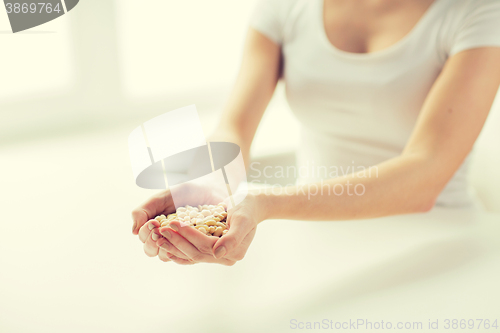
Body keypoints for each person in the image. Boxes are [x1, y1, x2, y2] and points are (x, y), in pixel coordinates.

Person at [131, 0, 500, 266]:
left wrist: (268, 203)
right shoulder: (285, 8)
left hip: (439, 243)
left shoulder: (478, 12)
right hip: (316, 238)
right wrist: (202, 189)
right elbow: (234, 129)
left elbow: (425, 175)